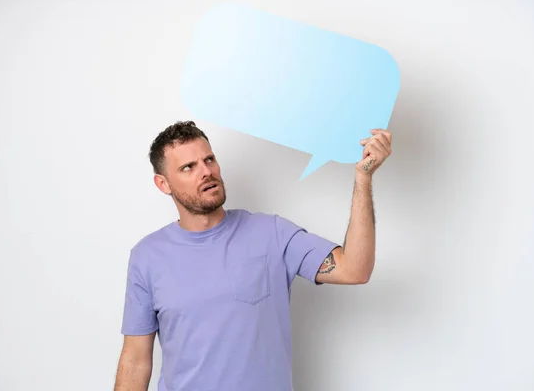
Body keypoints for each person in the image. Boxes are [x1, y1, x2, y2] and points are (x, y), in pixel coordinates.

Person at [113, 120, 393, 391]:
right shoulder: (147, 257)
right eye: (188, 167)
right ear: (163, 184)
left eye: (209, 160)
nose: (206, 172)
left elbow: (354, 269)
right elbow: (136, 360)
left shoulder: (271, 233)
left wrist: (363, 177)